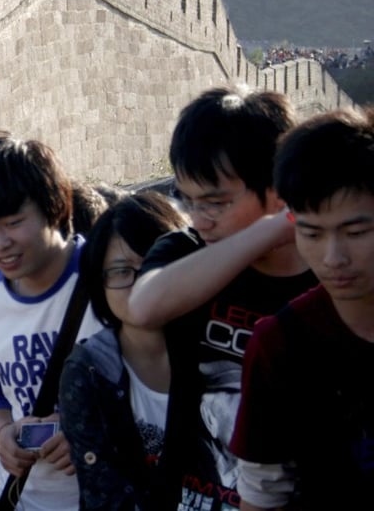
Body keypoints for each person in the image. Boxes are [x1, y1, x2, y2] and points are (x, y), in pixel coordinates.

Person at [126, 86, 317, 509]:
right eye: (187, 200)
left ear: (277, 187)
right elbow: (143, 306)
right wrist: (273, 227)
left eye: (216, 203)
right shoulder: (184, 251)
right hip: (193, 494)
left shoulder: (328, 274)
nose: (199, 219)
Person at [230, 107, 374, 509]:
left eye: (356, 232)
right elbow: (262, 494)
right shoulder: (281, 343)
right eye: (310, 232)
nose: (333, 258)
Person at [0, 135, 103, 511]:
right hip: (28, 499)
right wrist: (3, 432)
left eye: (13, 222)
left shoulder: (108, 273)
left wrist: (91, 430)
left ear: (55, 205)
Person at [59, 193, 194, 510]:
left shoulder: (217, 352)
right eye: (121, 271)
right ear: (100, 284)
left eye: (154, 266)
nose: (141, 284)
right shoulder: (87, 371)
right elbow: (104, 493)